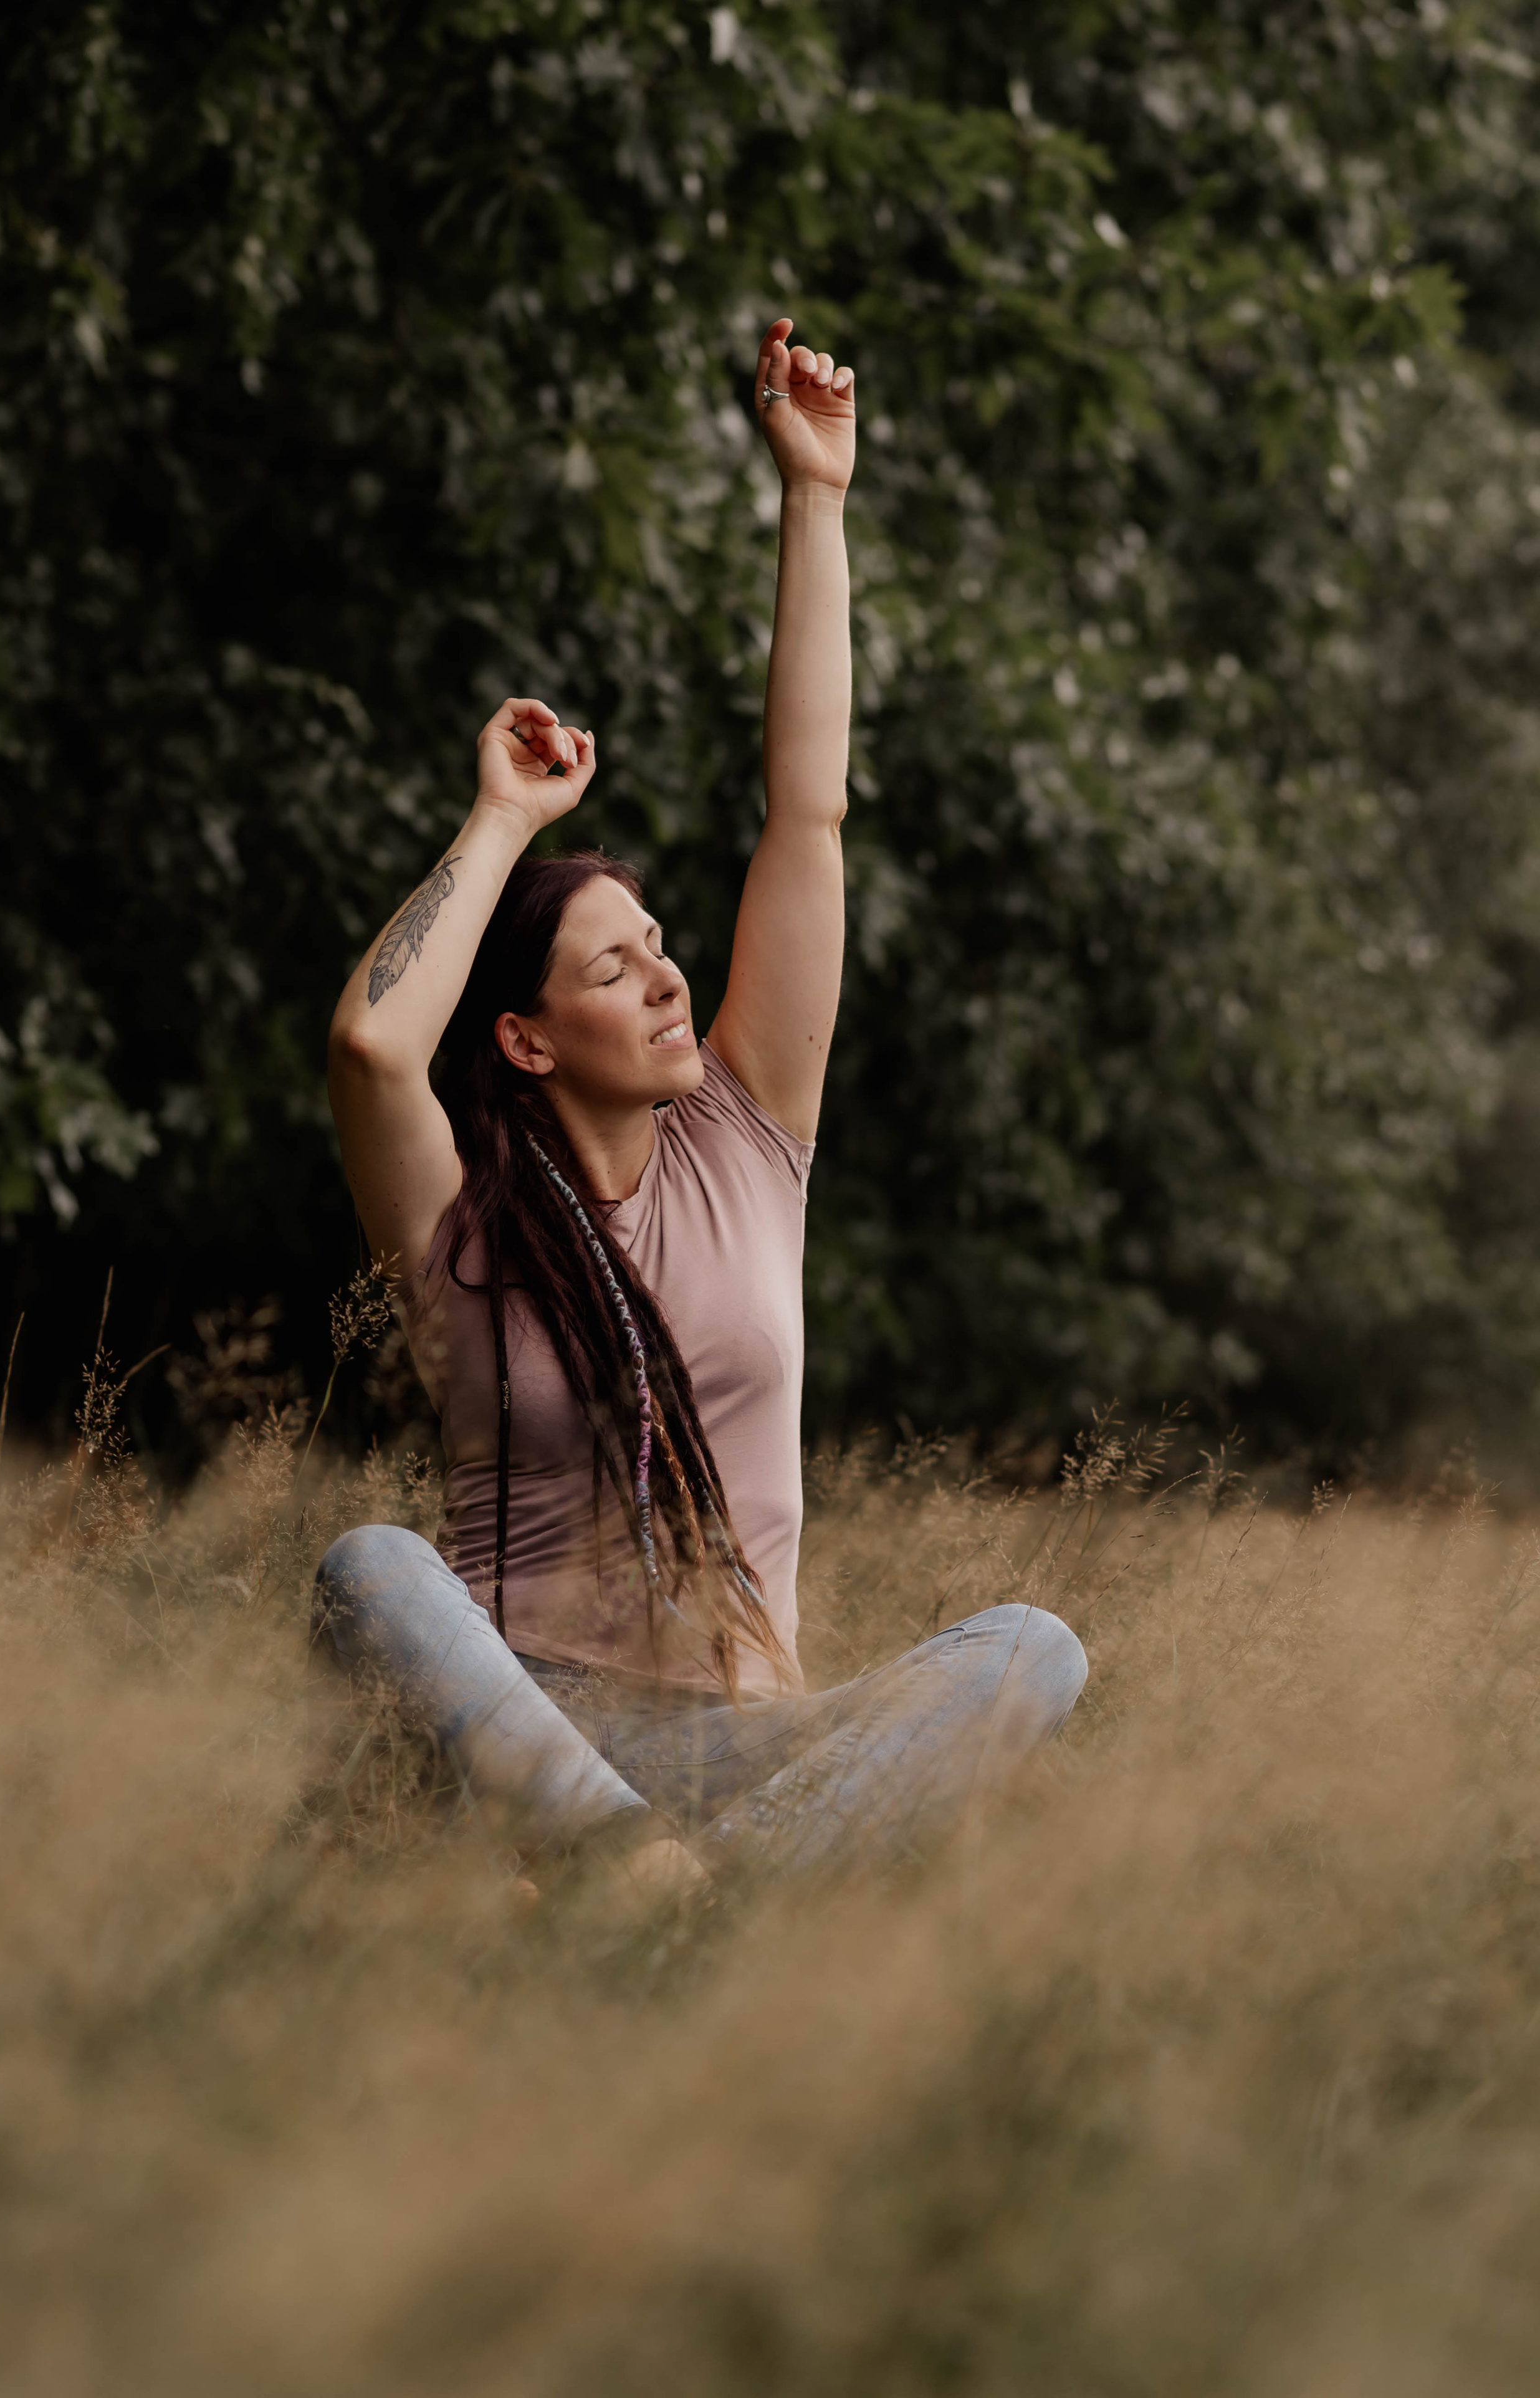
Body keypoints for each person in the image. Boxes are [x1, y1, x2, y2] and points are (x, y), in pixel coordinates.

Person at [317, 319, 1086, 1900]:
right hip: (528, 1727)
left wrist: (817, 496)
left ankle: (692, 1902)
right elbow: (376, 1046)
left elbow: (807, 812)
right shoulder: (462, 1231)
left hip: (749, 1736)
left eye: (662, 946)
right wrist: (505, 815)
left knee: (1028, 1647)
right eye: (617, 967)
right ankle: (627, 1872)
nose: (669, 979)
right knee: (368, 1568)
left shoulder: (749, 1139)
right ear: (528, 1038)